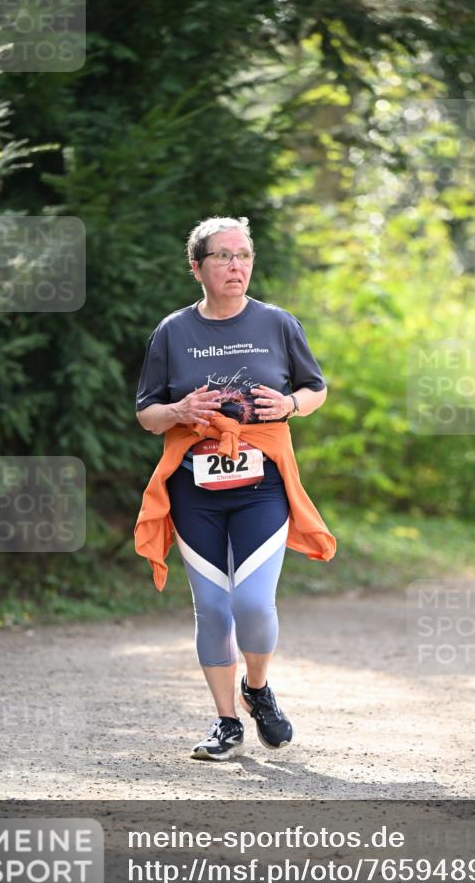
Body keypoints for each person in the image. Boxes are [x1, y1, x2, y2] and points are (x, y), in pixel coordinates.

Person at [134, 215, 335, 761]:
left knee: (251, 602)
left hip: (261, 486)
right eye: (222, 256)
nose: (236, 265)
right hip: (193, 489)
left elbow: (316, 388)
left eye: (243, 255)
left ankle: (258, 688)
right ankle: (227, 722)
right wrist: (177, 410)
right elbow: (147, 415)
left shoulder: (277, 323)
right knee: (212, 610)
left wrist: (292, 404)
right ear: (197, 266)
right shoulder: (173, 332)